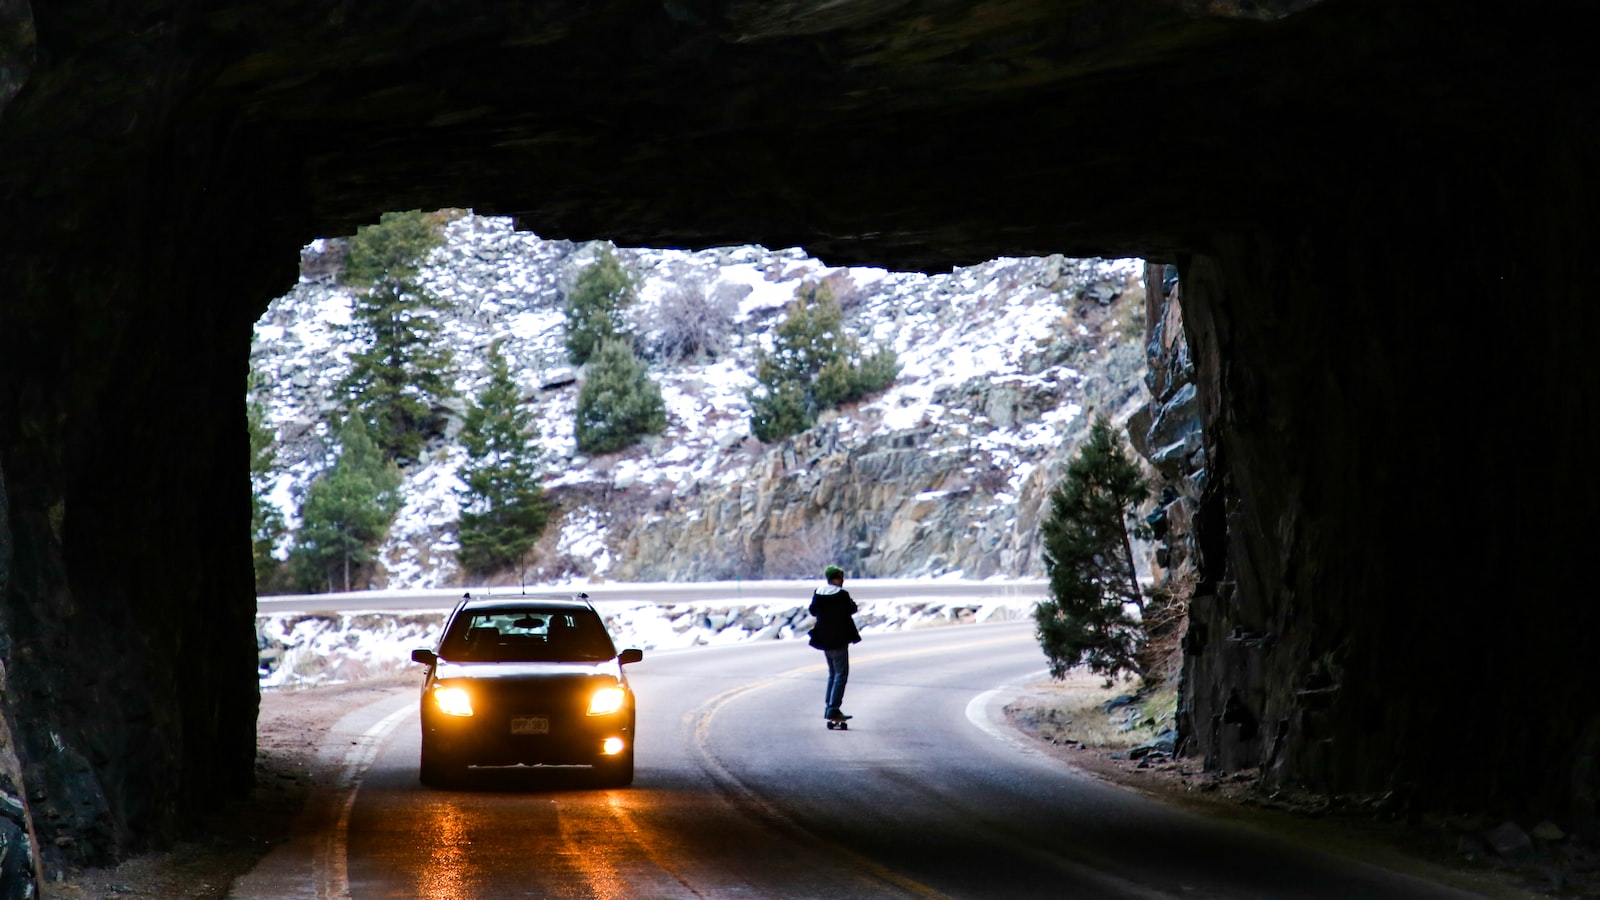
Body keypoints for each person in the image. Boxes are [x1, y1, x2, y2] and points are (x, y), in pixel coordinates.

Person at [808, 564, 862, 722]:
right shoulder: (842, 595)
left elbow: (813, 610)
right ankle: (833, 708)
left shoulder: (818, 593)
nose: (842, 580)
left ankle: (829, 706)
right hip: (839, 639)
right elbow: (852, 608)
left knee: (833, 674)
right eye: (840, 577)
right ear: (834, 578)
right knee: (841, 674)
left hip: (824, 639)